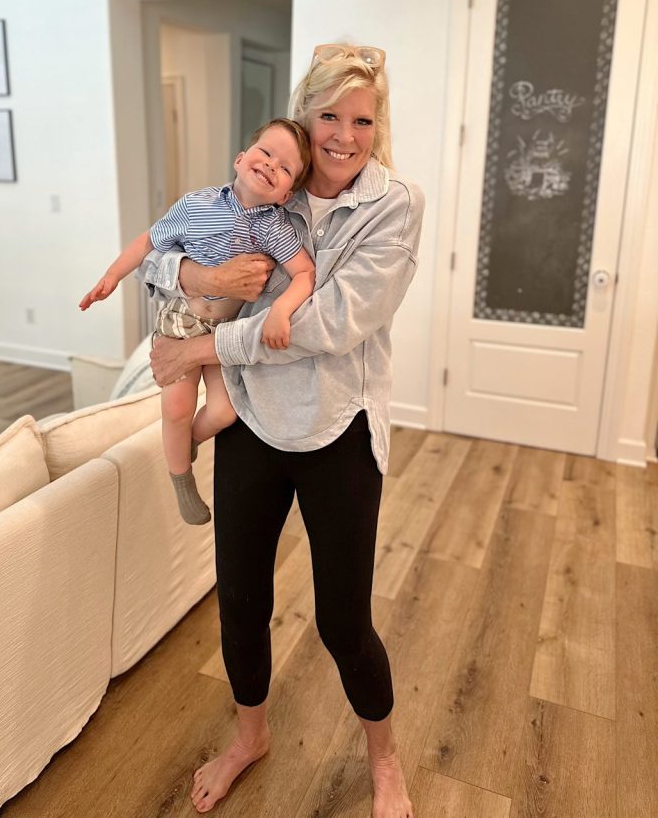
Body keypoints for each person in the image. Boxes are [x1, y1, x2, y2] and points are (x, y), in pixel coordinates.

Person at [145, 43, 423, 818]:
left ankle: (386, 757)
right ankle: (250, 737)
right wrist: (199, 279)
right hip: (254, 420)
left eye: (361, 118)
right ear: (303, 118)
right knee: (240, 599)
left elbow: (327, 325)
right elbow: (168, 249)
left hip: (338, 426)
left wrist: (196, 347)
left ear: (378, 125)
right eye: (327, 114)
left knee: (342, 621)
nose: (343, 134)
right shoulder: (269, 189)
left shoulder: (395, 204)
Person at [79, 119, 316, 524]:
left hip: (226, 331)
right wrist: (112, 276)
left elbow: (305, 274)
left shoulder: (274, 227)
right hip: (182, 320)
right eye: (266, 153)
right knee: (176, 406)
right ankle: (181, 479)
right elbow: (149, 242)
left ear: (286, 193)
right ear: (241, 159)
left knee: (226, 411)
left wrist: (280, 310)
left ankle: (182, 444)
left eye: (285, 167)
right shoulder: (196, 205)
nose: (272, 165)